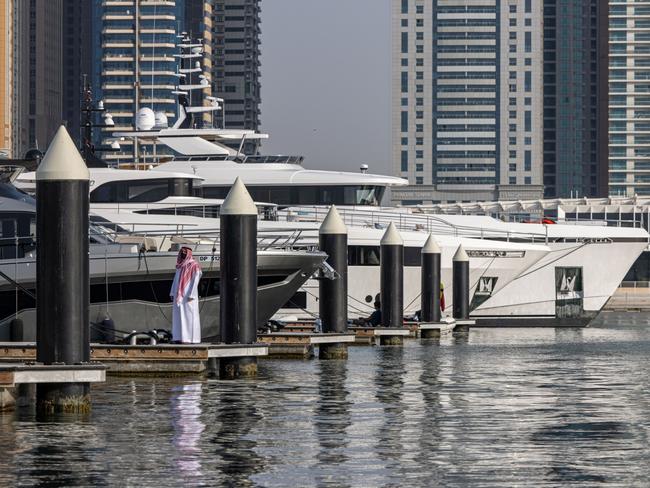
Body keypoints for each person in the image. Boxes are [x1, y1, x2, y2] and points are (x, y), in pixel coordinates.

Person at [170, 247, 202, 343]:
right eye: (181, 252)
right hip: (179, 296)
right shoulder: (179, 266)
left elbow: (196, 278)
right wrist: (172, 292)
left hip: (189, 296)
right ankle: (179, 338)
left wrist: (191, 294)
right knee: (178, 317)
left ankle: (190, 339)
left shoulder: (194, 265)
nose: (183, 253)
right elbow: (176, 280)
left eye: (185, 252)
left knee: (189, 317)